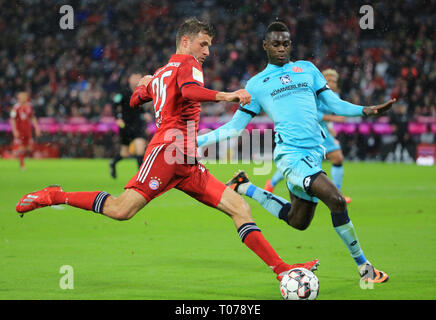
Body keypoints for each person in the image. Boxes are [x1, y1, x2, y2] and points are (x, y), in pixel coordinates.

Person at [16, 18, 318, 282]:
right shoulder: (189, 65)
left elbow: (135, 100)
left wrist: (145, 84)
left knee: (238, 207)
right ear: (185, 42)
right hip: (167, 151)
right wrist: (228, 95)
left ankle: (282, 269)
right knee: (122, 210)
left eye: (209, 46)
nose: (207, 52)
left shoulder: (162, 71)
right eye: (203, 44)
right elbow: (188, 92)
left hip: (185, 160)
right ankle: (55, 195)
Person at [197, 21, 396, 283]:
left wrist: (365, 110)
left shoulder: (308, 70)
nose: (281, 48)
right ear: (265, 45)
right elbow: (235, 127)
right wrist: (196, 141)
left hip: (314, 153)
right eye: (276, 44)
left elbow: (332, 102)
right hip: (290, 156)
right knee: (336, 201)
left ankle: (244, 186)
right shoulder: (256, 84)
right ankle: (365, 269)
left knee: (298, 221)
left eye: (285, 43)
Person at [264, 68, 352, 204]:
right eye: (329, 80)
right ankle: (272, 182)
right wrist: (334, 120)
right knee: (300, 165)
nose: (332, 83)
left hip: (324, 133)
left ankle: (337, 193)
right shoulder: (314, 94)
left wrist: (330, 127)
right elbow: (313, 114)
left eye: (334, 81)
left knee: (337, 158)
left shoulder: (334, 96)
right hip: (309, 132)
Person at [109, 73, 152, 178]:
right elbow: (114, 106)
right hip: (126, 126)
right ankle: (113, 163)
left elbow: (140, 108)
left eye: (139, 78)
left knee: (140, 151)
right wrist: (117, 118)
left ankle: (141, 177)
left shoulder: (142, 91)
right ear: (129, 79)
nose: (137, 80)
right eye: (135, 77)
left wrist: (145, 114)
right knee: (125, 154)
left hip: (138, 126)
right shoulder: (122, 92)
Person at [9, 91, 41, 170]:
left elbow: (32, 118)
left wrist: (37, 128)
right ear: (19, 98)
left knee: (29, 148)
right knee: (21, 147)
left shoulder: (29, 107)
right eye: (22, 97)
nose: (24, 98)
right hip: (20, 131)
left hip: (28, 131)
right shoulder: (16, 107)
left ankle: (20, 157)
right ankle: (22, 163)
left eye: (25, 97)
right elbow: (12, 119)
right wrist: (14, 130)